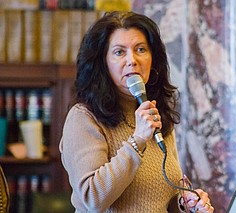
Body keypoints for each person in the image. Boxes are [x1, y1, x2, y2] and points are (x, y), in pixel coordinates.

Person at [59, 11, 214, 213]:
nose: (132, 60)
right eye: (119, 52)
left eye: (140, 49)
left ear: (153, 60)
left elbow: (161, 197)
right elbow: (92, 199)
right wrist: (138, 139)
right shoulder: (83, 117)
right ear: (102, 64)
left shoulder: (156, 114)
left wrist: (185, 203)